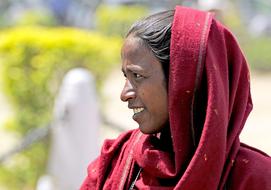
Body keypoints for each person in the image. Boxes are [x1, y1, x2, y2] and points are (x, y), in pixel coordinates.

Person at [80, 6, 271, 189]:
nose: (124, 94)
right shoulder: (116, 164)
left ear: (183, 83)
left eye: (137, 76)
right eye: (125, 76)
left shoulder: (255, 179)